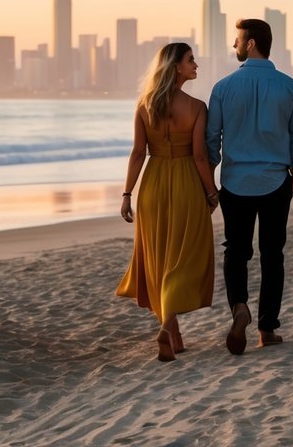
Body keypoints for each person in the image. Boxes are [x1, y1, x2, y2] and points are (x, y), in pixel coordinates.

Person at [206, 17, 293, 354]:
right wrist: (292, 178)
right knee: (272, 255)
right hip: (276, 180)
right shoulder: (290, 87)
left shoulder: (222, 88)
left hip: (235, 183)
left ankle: (240, 309)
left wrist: (212, 179)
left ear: (251, 43)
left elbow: (211, 142)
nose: (234, 45)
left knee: (236, 252)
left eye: (237, 39)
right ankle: (266, 329)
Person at [116, 42, 218, 361]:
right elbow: (200, 156)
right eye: (190, 60)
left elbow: (137, 154)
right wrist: (212, 192)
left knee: (159, 259)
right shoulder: (197, 107)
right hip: (186, 183)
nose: (196, 65)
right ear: (175, 67)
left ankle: (173, 335)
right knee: (185, 258)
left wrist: (127, 194)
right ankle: (166, 332)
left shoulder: (144, 105)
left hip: (152, 185)